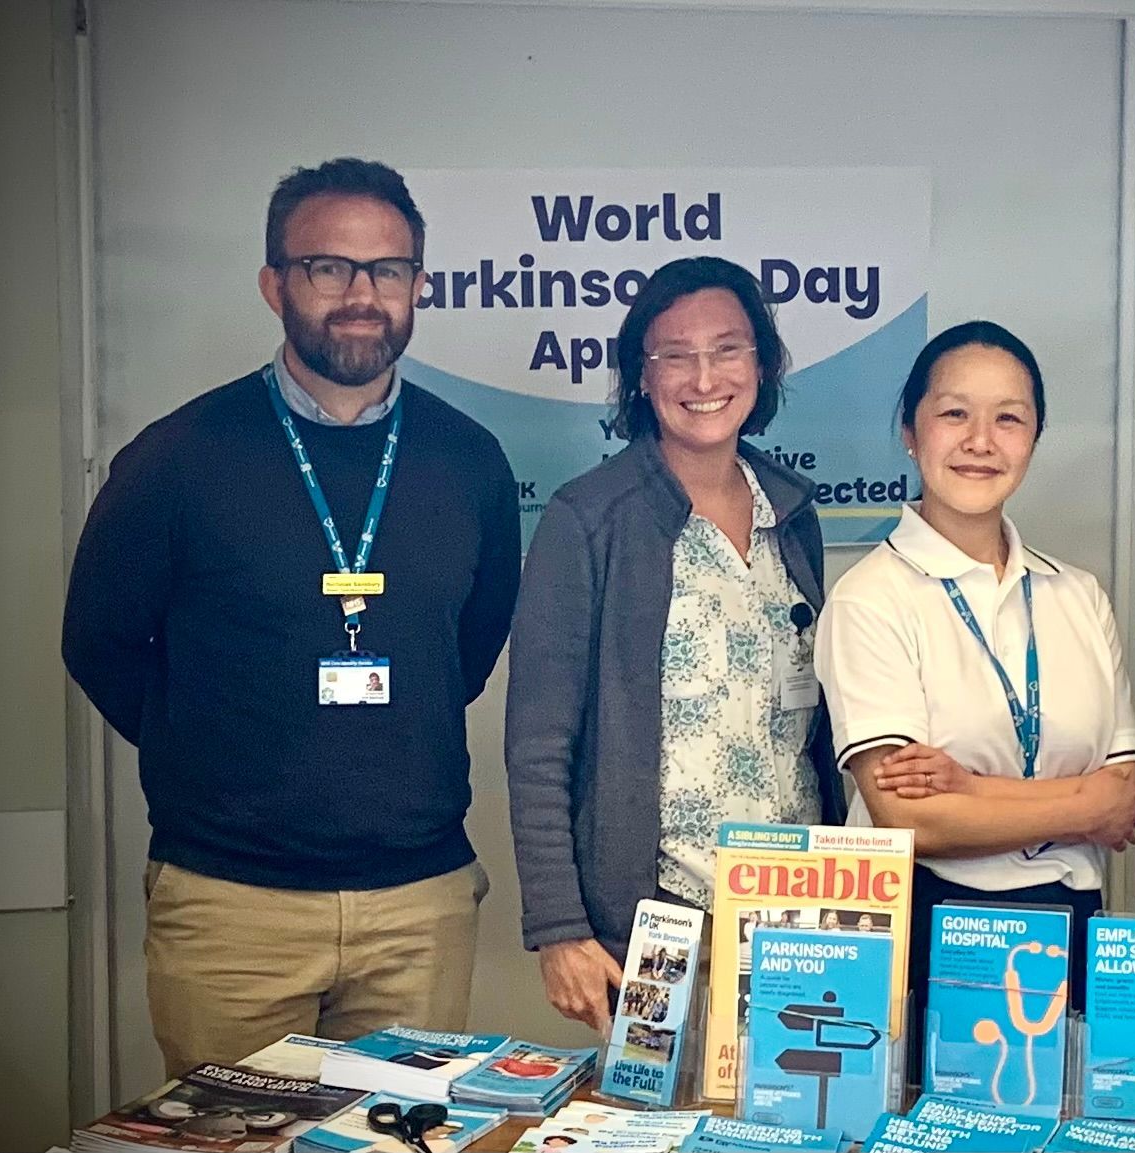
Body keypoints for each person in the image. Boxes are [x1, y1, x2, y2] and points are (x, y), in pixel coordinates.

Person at [62, 158, 521, 1075]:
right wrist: (208, 743)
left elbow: (466, 649)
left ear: (418, 286)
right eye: (328, 267)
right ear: (275, 283)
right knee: (237, 1138)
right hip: (232, 903)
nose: (361, 295)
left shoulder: (470, 460)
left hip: (417, 903)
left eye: (387, 269)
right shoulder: (176, 458)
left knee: (400, 1135)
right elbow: (99, 641)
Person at [506, 256, 845, 1031]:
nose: (704, 377)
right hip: (656, 925)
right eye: (675, 355)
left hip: (799, 918)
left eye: (727, 349)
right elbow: (537, 745)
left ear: (762, 363)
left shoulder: (790, 513)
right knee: (655, 1103)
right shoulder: (588, 519)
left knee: (798, 1094)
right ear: (640, 375)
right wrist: (559, 928)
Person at [815, 320, 1135, 1017]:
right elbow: (910, 820)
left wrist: (968, 786)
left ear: (1034, 438)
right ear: (910, 432)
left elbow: (1124, 798)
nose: (980, 441)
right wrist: (1082, 806)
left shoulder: (1078, 595)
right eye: (953, 414)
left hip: (1071, 924)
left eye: (1008, 418)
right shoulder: (869, 598)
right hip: (930, 923)